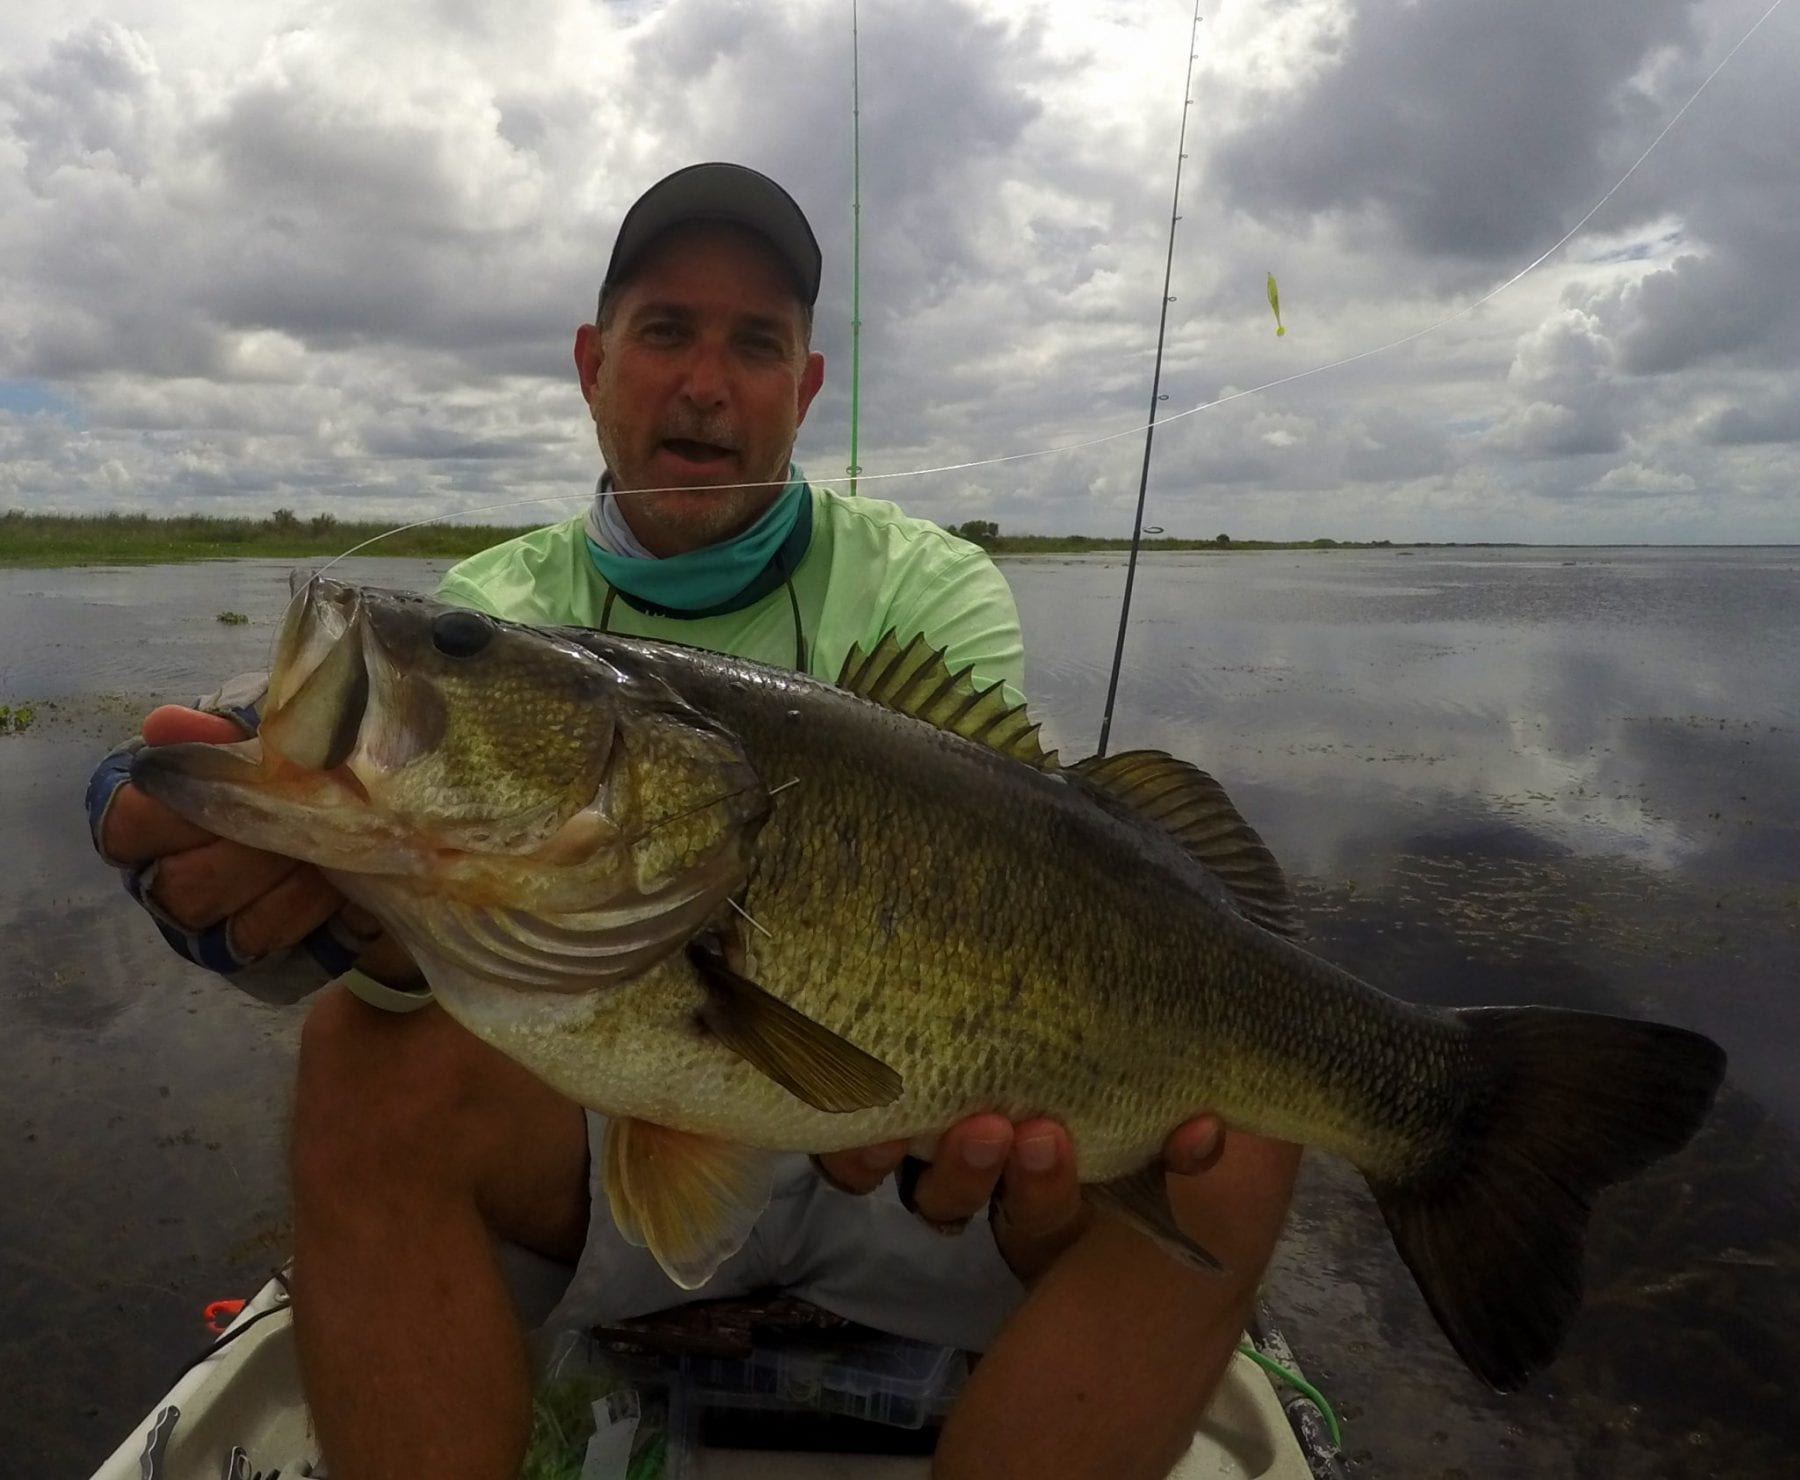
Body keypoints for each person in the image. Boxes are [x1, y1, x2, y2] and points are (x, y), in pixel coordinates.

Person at [87, 163, 1302, 1480]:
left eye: (756, 343)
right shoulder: (499, 601)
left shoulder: (929, 587)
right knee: (358, 1062)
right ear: (592, 363)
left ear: (807, 388)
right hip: (608, 1121)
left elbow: (1026, 874)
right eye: (666, 332)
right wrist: (276, 905)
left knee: (1238, 1133)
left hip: (902, 1145)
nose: (707, 383)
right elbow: (406, 934)